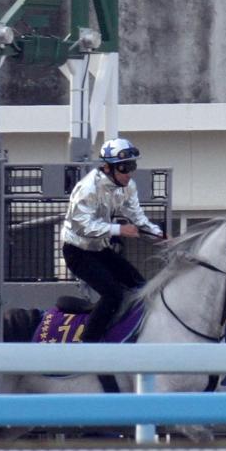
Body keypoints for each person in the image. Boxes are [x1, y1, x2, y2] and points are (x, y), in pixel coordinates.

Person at [61, 138, 164, 342]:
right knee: (113, 294)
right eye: (125, 167)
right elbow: (81, 226)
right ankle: (88, 345)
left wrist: (160, 235)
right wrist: (119, 229)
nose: (129, 173)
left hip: (99, 249)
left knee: (141, 287)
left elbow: (138, 218)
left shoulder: (128, 186)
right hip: (76, 251)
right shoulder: (87, 188)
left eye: (132, 166)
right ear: (107, 167)